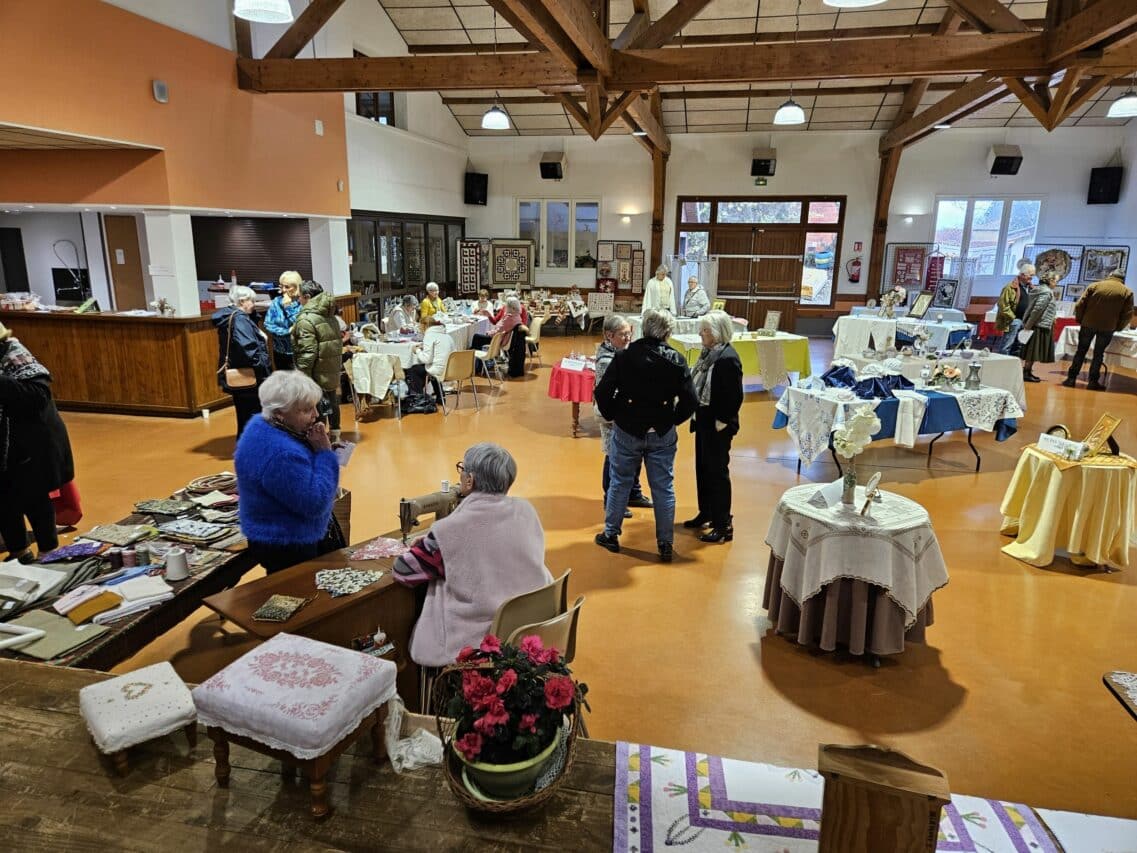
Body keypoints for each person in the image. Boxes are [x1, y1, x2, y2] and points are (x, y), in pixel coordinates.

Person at [393, 443, 552, 667]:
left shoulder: (450, 530)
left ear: (470, 480)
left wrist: (428, 542)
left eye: (462, 469)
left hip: (481, 639)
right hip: (527, 626)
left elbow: (403, 571)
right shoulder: (526, 510)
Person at [594, 309, 698, 563]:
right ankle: (665, 542)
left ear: (643, 329)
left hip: (628, 428)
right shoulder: (677, 360)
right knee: (663, 487)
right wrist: (673, 420)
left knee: (620, 482)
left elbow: (603, 391)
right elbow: (691, 400)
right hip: (662, 430)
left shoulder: (624, 356)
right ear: (668, 332)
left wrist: (612, 415)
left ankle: (611, 534)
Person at [235, 371, 341, 574]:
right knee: (298, 594)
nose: (316, 415)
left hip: (269, 533)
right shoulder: (281, 453)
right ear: (280, 413)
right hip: (288, 541)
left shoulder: (259, 426)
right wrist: (325, 455)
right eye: (306, 410)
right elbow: (315, 503)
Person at [0, 323, 74, 560]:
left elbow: (37, 396)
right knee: (3, 498)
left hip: (30, 444)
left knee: (33, 495)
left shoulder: (13, 352)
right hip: (5, 446)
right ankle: (18, 551)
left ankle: (48, 551)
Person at [685, 311, 743, 543]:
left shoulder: (727, 358)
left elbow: (734, 397)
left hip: (718, 423)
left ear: (717, 333)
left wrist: (722, 422)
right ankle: (706, 512)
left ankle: (723, 524)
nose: (701, 333)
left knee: (718, 473)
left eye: (705, 330)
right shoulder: (709, 353)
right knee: (702, 467)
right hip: (703, 418)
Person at [594, 315, 653, 520]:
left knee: (633, 455)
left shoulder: (623, 353)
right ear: (609, 336)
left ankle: (633, 493)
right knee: (614, 457)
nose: (628, 338)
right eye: (623, 334)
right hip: (613, 417)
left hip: (628, 415)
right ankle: (611, 498)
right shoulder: (606, 360)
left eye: (630, 333)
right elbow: (605, 393)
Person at [212, 284, 271, 439]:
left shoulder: (234, 317)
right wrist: (262, 366)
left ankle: (248, 445)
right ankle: (251, 448)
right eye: (252, 300)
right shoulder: (239, 320)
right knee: (251, 413)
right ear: (242, 301)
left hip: (240, 370)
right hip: (250, 373)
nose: (253, 304)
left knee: (245, 413)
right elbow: (248, 348)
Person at [1063, 270, 1135, 390]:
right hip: (1108, 327)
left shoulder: (1095, 286)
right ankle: (1093, 382)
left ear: (1110, 276)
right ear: (1122, 279)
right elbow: (1127, 314)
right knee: (1098, 354)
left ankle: (1071, 379)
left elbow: (1080, 304)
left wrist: (1081, 319)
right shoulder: (1127, 292)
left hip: (1088, 324)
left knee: (1081, 351)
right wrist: (1118, 326)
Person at [291, 280, 344, 443]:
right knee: (332, 400)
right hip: (331, 367)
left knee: (316, 407)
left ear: (307, 297)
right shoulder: (330, 315)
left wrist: (301, 376)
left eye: (299, 297)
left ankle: (319, 441)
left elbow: (308, 353)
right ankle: (335, 436)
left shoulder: (306, 320)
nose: (298, 300)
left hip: (315, 371)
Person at [474, 296, 529, 378]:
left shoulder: (509, 318)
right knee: (478, 337)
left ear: (511, 307)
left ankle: (475, 366)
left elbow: (498, 331)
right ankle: (479, 366)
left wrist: (488, 333)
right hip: (500, 337)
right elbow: (498, 325)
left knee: (476, 338)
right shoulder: (516, 316)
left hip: (498, 339)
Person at [1021, 273, 1059, 383]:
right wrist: (1028, 325)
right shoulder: (1046, 292)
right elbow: (1037, 310)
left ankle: (1027, 371)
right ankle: (1026, 372)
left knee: (1032, 351)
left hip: (1038, 324)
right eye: (1055, 281)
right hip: (1039, 325)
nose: (1056, 284)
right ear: (1050, 281)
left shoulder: (1041, 290)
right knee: (1033, 351)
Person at [406, 314, 455, 399]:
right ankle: (440, 395)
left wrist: (417, 351)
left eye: (420, 327)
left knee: (413, 369)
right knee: (434, 364)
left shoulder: (429, 335)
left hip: (439, 371)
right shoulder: (447, 335)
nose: (420, 330)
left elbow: (426, 359)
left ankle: (418, 399)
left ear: (425, 326)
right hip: (452, 370)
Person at [264, 271, 302, 370]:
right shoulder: (276, 301)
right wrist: (287, 332)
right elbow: (268, 324)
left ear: (296, 286)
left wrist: (288, 307)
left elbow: (300, 325)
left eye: (287, 287)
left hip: (299, 352)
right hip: (279, 351)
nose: (283, 290)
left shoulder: (302, 302)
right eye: (281, 286)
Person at [995, 263, 1034, 355]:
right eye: (1031, 275)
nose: (1032, 278)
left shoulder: (1029, 288)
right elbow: (1003, 305)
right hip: (1014, 321)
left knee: (1019, 347)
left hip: (1025, 321)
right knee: (1007, 345)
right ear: (1023, 274)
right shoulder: (1010, 287)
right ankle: (1002, 365)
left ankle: (1013, 366)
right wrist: (1013, 318)